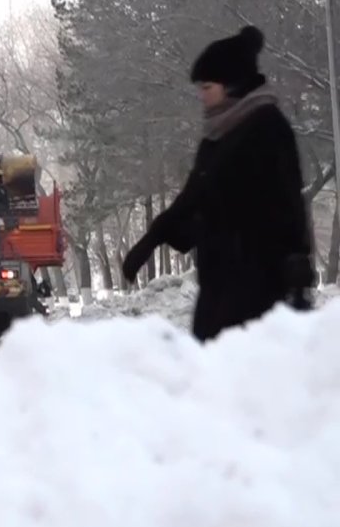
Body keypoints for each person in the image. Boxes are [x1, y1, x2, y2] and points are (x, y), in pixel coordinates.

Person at [122, 25, 315, 342]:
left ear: (232, 83)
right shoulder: (217, 134)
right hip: (220, 280)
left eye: (207, 86)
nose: (202, 94)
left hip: (259, 280)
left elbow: (289, 202)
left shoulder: (267, 127)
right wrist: (151, 240)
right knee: (215, 367)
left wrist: (297, 261)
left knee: (242, 370)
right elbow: (193, 198)